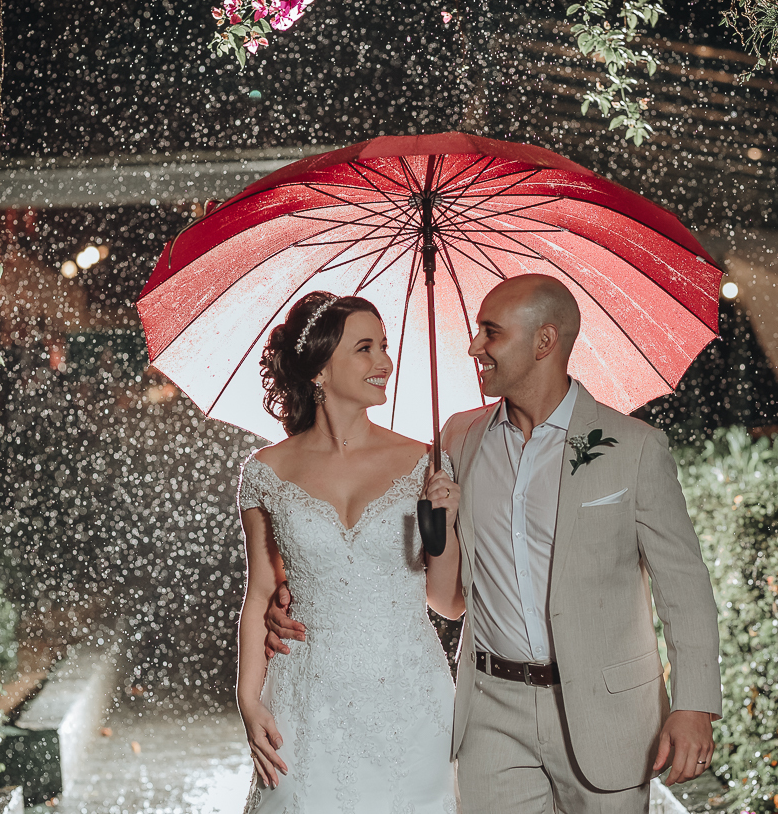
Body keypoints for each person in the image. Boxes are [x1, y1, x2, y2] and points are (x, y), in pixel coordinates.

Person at [266, 275, 722, 813]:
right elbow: (444, 594)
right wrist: (296, 595)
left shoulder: (635, 449)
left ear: (544, 342)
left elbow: (684, 587)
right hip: (490, 712)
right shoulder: (458, 439)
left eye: (491, 333)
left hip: (609, 712)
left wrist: (694, 705)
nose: (474, 346)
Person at [235, 291, 463, 814]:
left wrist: (443, 526)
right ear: (319, 368)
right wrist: (249, 700)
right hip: (306, 696)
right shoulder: (266, 471)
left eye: (384, 346)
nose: (384, 362)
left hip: (411, 694)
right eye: (365, 348)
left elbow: (446, 599)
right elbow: (260, 595)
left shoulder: (424, 463)